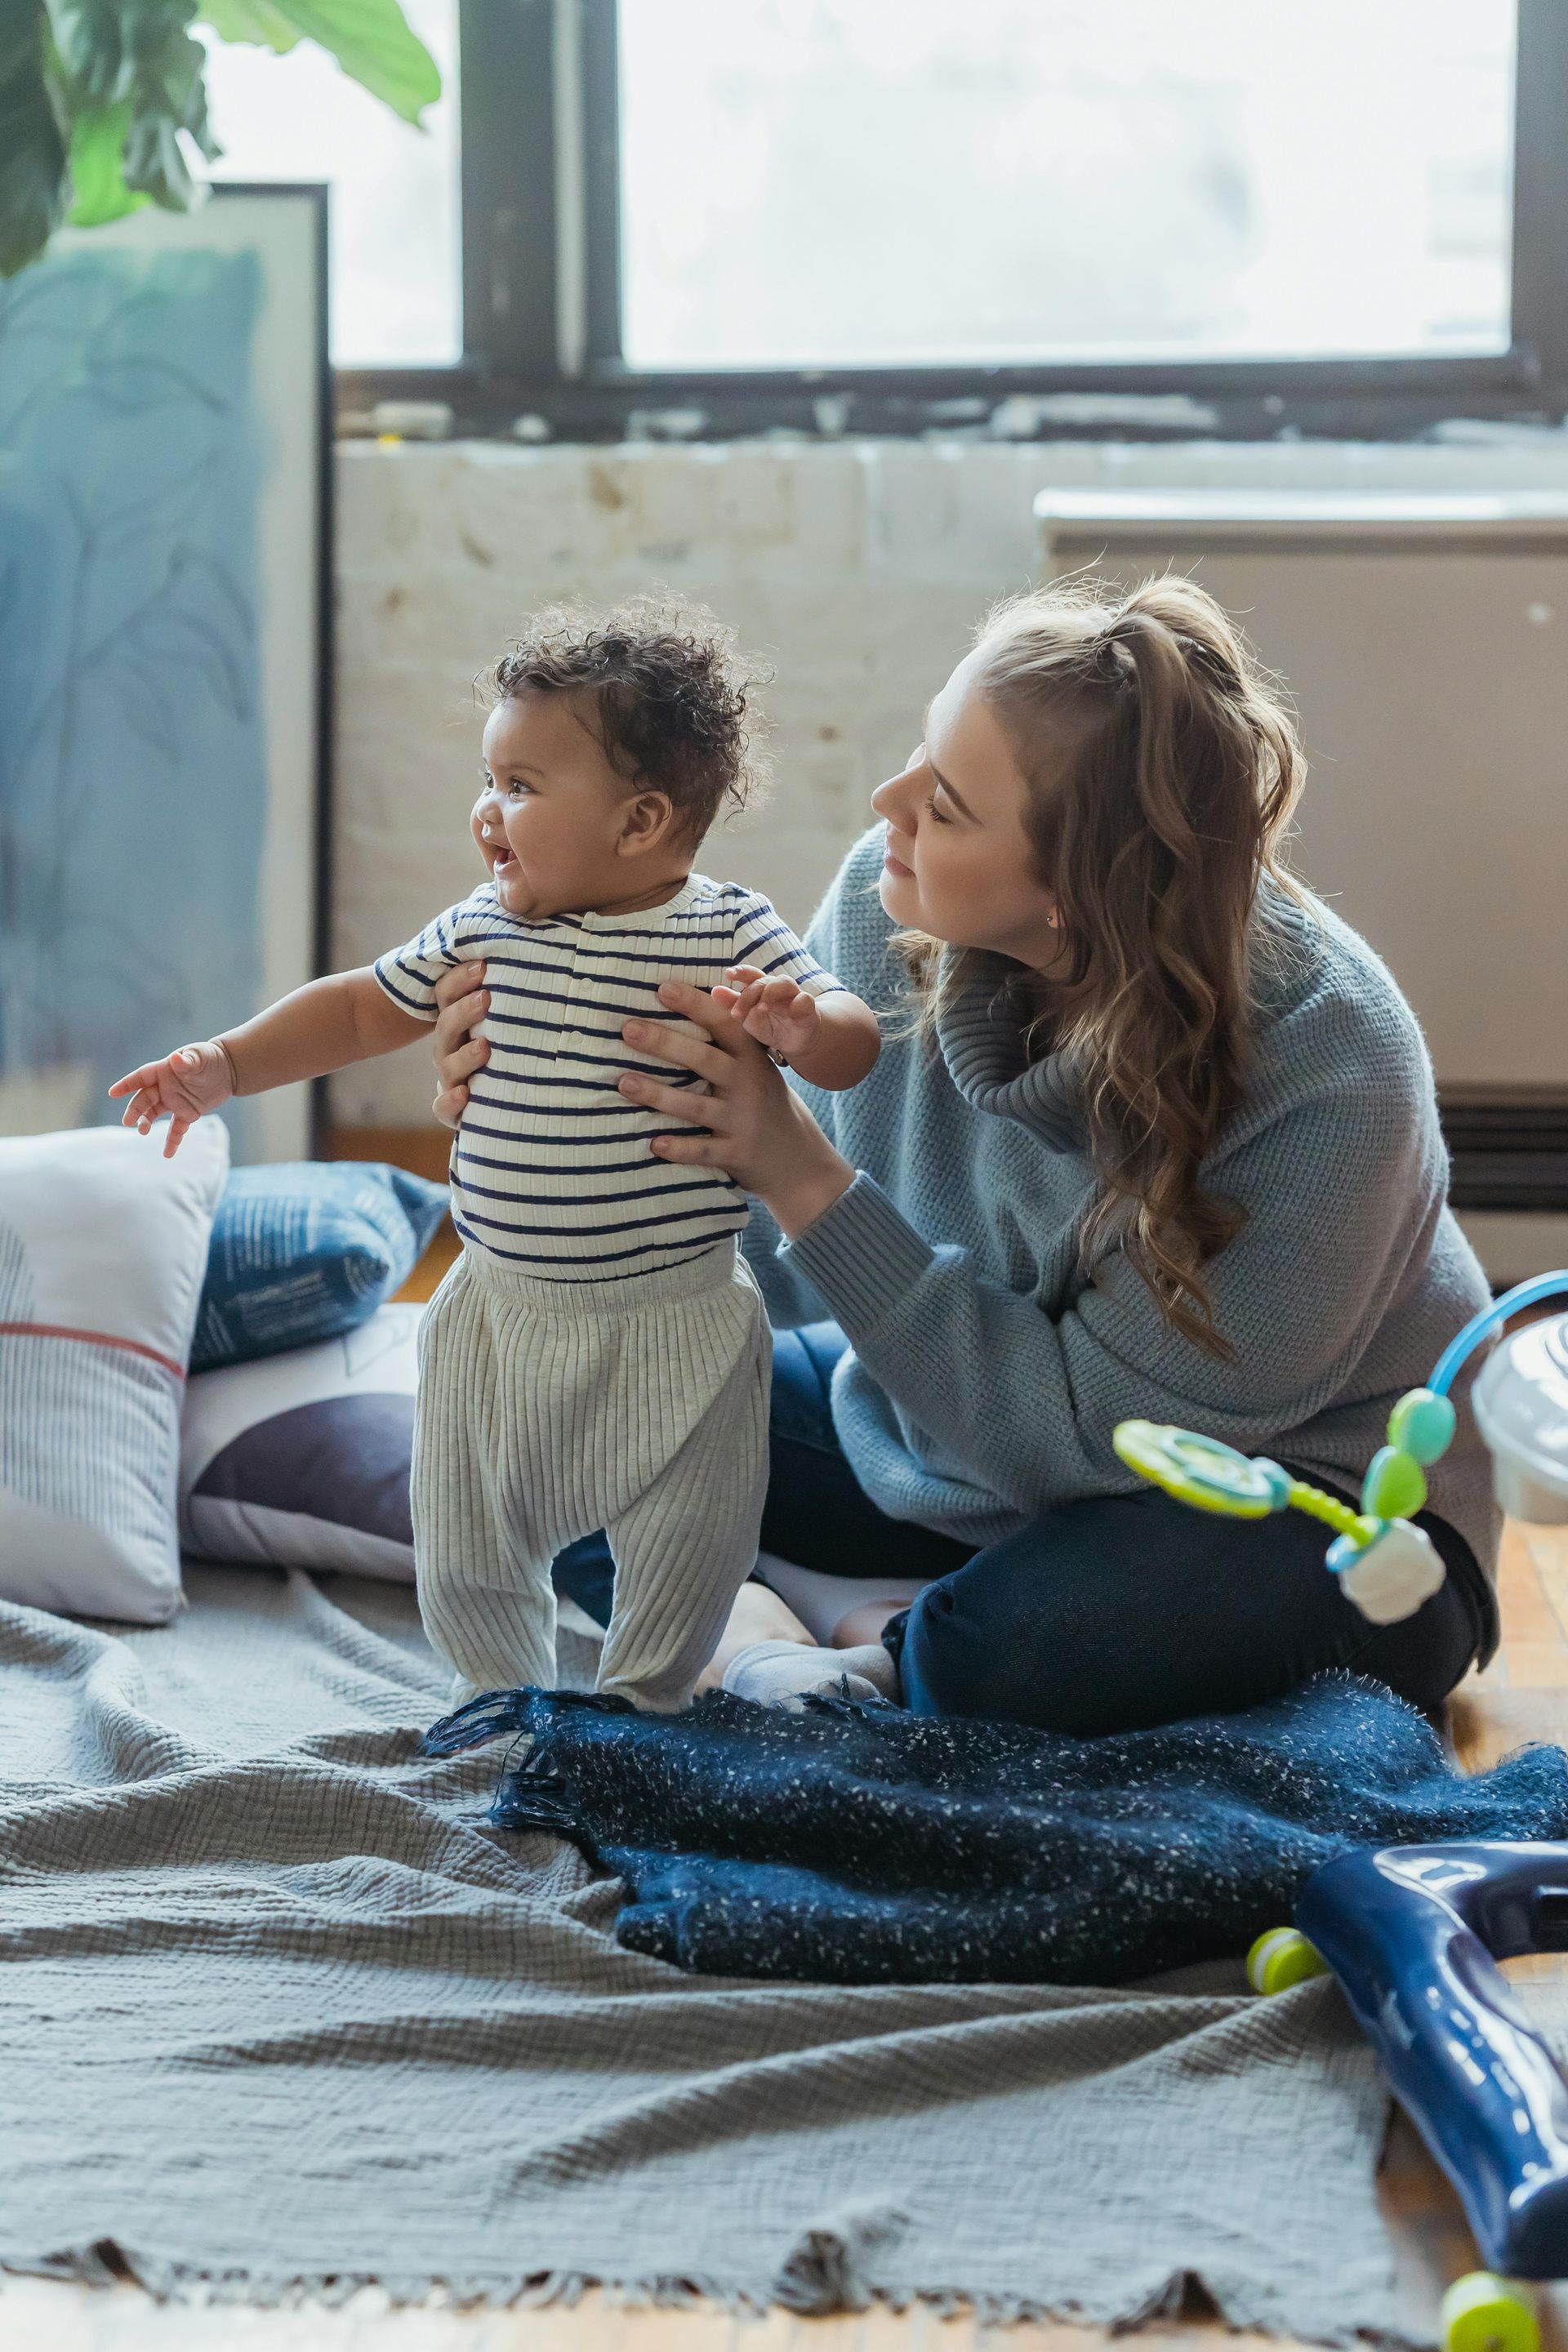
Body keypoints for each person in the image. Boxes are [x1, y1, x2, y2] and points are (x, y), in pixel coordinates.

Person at [428, 575, 1499, 1735]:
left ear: (1074, 897)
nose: (887, 802)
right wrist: (554, 1108)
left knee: (1004, 1660)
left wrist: (802, 1176)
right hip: (959, 1434)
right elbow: (748, 1256)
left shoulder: (1328, 1068)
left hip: (1301, 1501)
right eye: (918, 755)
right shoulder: (881, 910)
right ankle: (805, 1635)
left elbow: (1085, 1444)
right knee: (568, 1436)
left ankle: (885, 1635)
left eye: (945, 804)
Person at [109, 599, 881, 1713]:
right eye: (491, 778)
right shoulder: (482, 927)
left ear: (640, 820)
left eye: (521, 786)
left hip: (681, 1318)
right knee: (466, 1528)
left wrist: (805, 1031)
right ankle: (498, 1691)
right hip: (498, 1311)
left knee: (689, 1537)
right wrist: (225, 1064)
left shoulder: (729, 931)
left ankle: (645, 1703)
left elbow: (846, 1026)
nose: (487, 811)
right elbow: (360, 1009)